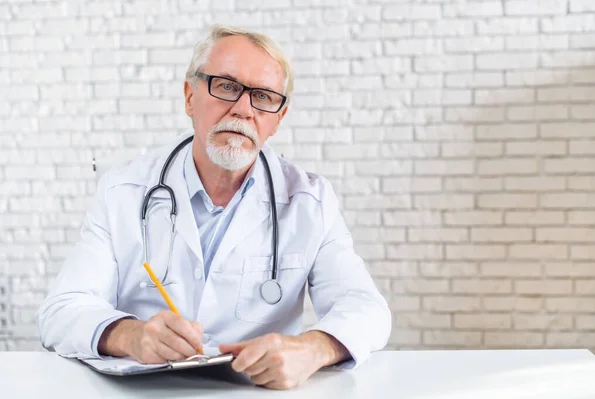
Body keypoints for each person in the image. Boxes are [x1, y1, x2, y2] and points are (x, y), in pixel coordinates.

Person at [36, 24, 391, 390]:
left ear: (277, 120)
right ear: (190, 96)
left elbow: (367, 308)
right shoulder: (122, 192)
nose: (243, 109)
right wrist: (129, 335)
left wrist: (312, 349)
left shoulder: (310, 201)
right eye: (226, 86)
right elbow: (61, 311)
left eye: (264, 97)